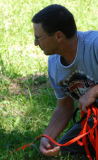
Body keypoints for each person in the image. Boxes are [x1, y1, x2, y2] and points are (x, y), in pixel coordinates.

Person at [32, 4, 98, 157]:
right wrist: (48, 137)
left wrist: (94, 92)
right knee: (63, 150)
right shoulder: (54, 64)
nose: (35, 44)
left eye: (38, 38)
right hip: (93, 120)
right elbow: (65, 107)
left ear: (58, 36)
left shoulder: (94, 44)